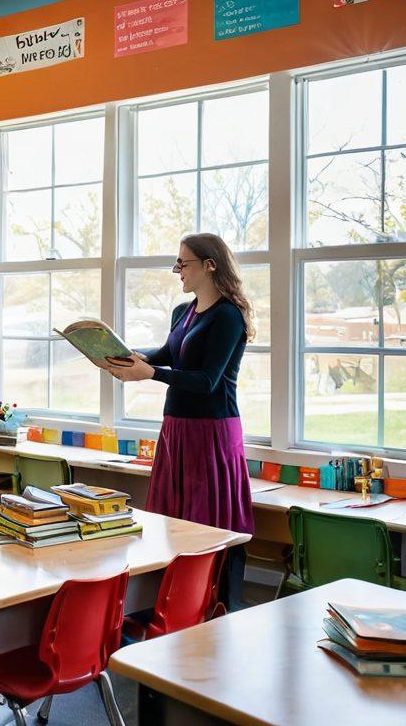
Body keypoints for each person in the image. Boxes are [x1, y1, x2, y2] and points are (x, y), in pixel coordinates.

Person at [105, 232, 255, 608]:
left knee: (203, 525)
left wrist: (150, 374)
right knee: (172, 519)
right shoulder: (182, 312)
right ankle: (172, 604)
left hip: (211, 430)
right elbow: (168, 353)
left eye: (183, 263)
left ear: (209, 265)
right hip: (176, 427)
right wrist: (127, 358)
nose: (177, 270)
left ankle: (207, 604)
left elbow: (207, 381)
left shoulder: (228, 316)